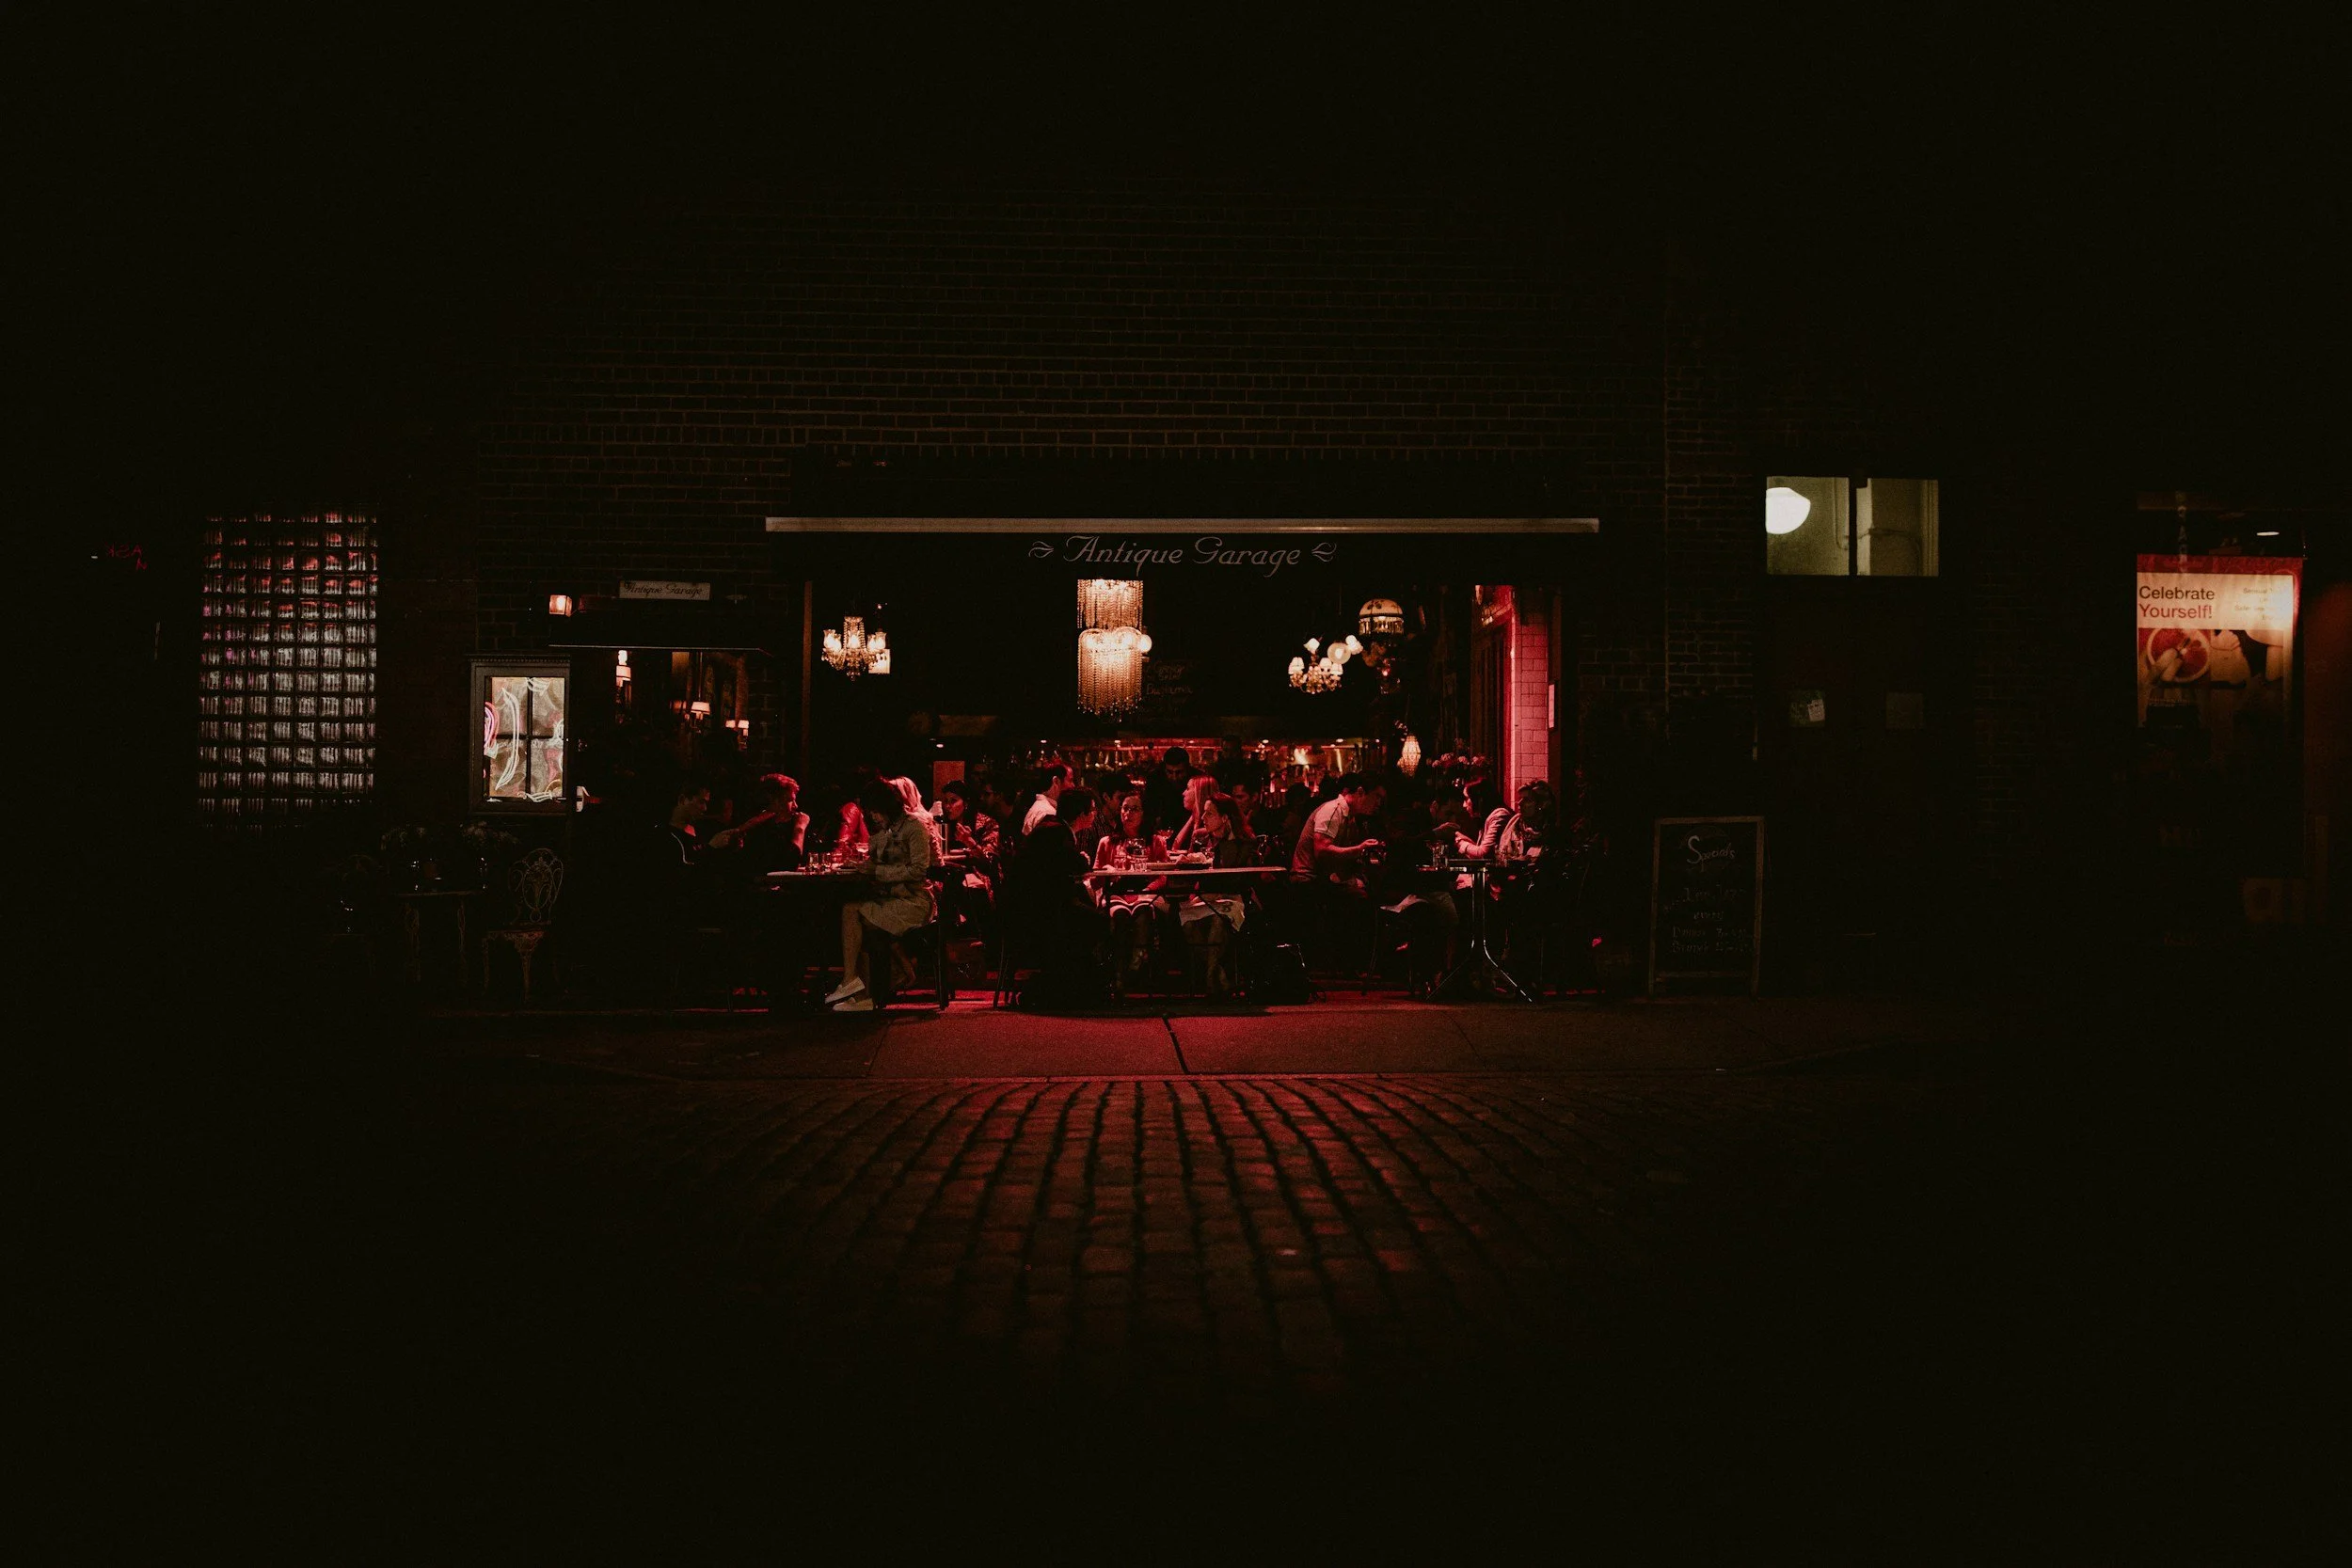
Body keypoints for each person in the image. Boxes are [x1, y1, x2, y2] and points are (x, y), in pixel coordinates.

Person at [824, 779, 936, 1012]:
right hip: (891, 898)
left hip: (915, 901)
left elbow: (919, 870)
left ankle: (856, 985)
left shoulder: (914, 828)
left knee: (853, 912)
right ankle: (863, 990)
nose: (872, 816)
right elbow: (876, 862)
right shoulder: (884, 831)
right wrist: (861, 864)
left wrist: (878, 870)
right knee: (853, 915)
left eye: (874, 810)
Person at [1176, 791, 1255, 996]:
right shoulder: (1200, 838)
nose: (1203, 818)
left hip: (1232, 897)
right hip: (1204, 897)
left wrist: (1227, 842)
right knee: (1188, 925)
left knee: (1219, 921)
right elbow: (1195, 872)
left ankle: (1210, 977)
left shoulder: (1243, 841)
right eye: (1203, 813)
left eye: (1209, 814)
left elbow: (1238, 879)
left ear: (1225, 817)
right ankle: (1218, 972)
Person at [1291, 772, 1386, 886]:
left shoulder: (1350, 816)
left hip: (1324, 880)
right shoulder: (1333, 809)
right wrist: (1360, 849)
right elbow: (1322, 851)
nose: (1379, 803)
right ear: (1360, 792)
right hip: (1308, 880)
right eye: (1377, 796)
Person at [708, 772, 807, 871]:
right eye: (790, 800)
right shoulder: (757, 830)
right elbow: (789, 865)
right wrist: (800, 828)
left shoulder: (773, 826)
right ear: (775, 800)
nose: (796, 806)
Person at [1142, 746, 1195, 836]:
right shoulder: (1154, 778)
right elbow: (1148, 808)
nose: (1174, 777)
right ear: (1164, 768)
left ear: (1187, 768)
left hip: (1190, 828)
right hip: (1161, 829)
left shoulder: (1196, 779)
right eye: (1170, 772)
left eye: (1179, 772)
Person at [1024, 762, 1072, 836]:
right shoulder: (1048, 813)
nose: (1073, 785)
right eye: (1070, 780)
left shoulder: (1041, 807)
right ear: (1056, 781)